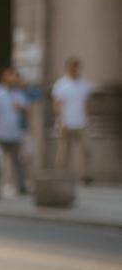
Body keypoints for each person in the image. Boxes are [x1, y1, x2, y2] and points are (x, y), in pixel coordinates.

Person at [0, 64, 30, 195]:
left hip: (15, 133)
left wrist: (22, 109)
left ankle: (20, 187)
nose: (14, 77)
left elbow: (27, 113)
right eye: (11, 74)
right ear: (4, 76)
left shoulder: (19, 94)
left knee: (18, 161)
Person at [52, 56, 94, 184]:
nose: (76, 69)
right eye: (73, 66)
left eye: (77, 67)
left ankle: (85, 175)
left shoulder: (84, 85)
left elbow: (87, 103)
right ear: (68, 68)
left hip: (81, 122)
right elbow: (56, 104)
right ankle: (62, 175)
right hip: (66, 122)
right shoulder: (61, 85)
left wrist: (88, 118)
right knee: (64, 151)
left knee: (86, 149)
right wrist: (60, 120)